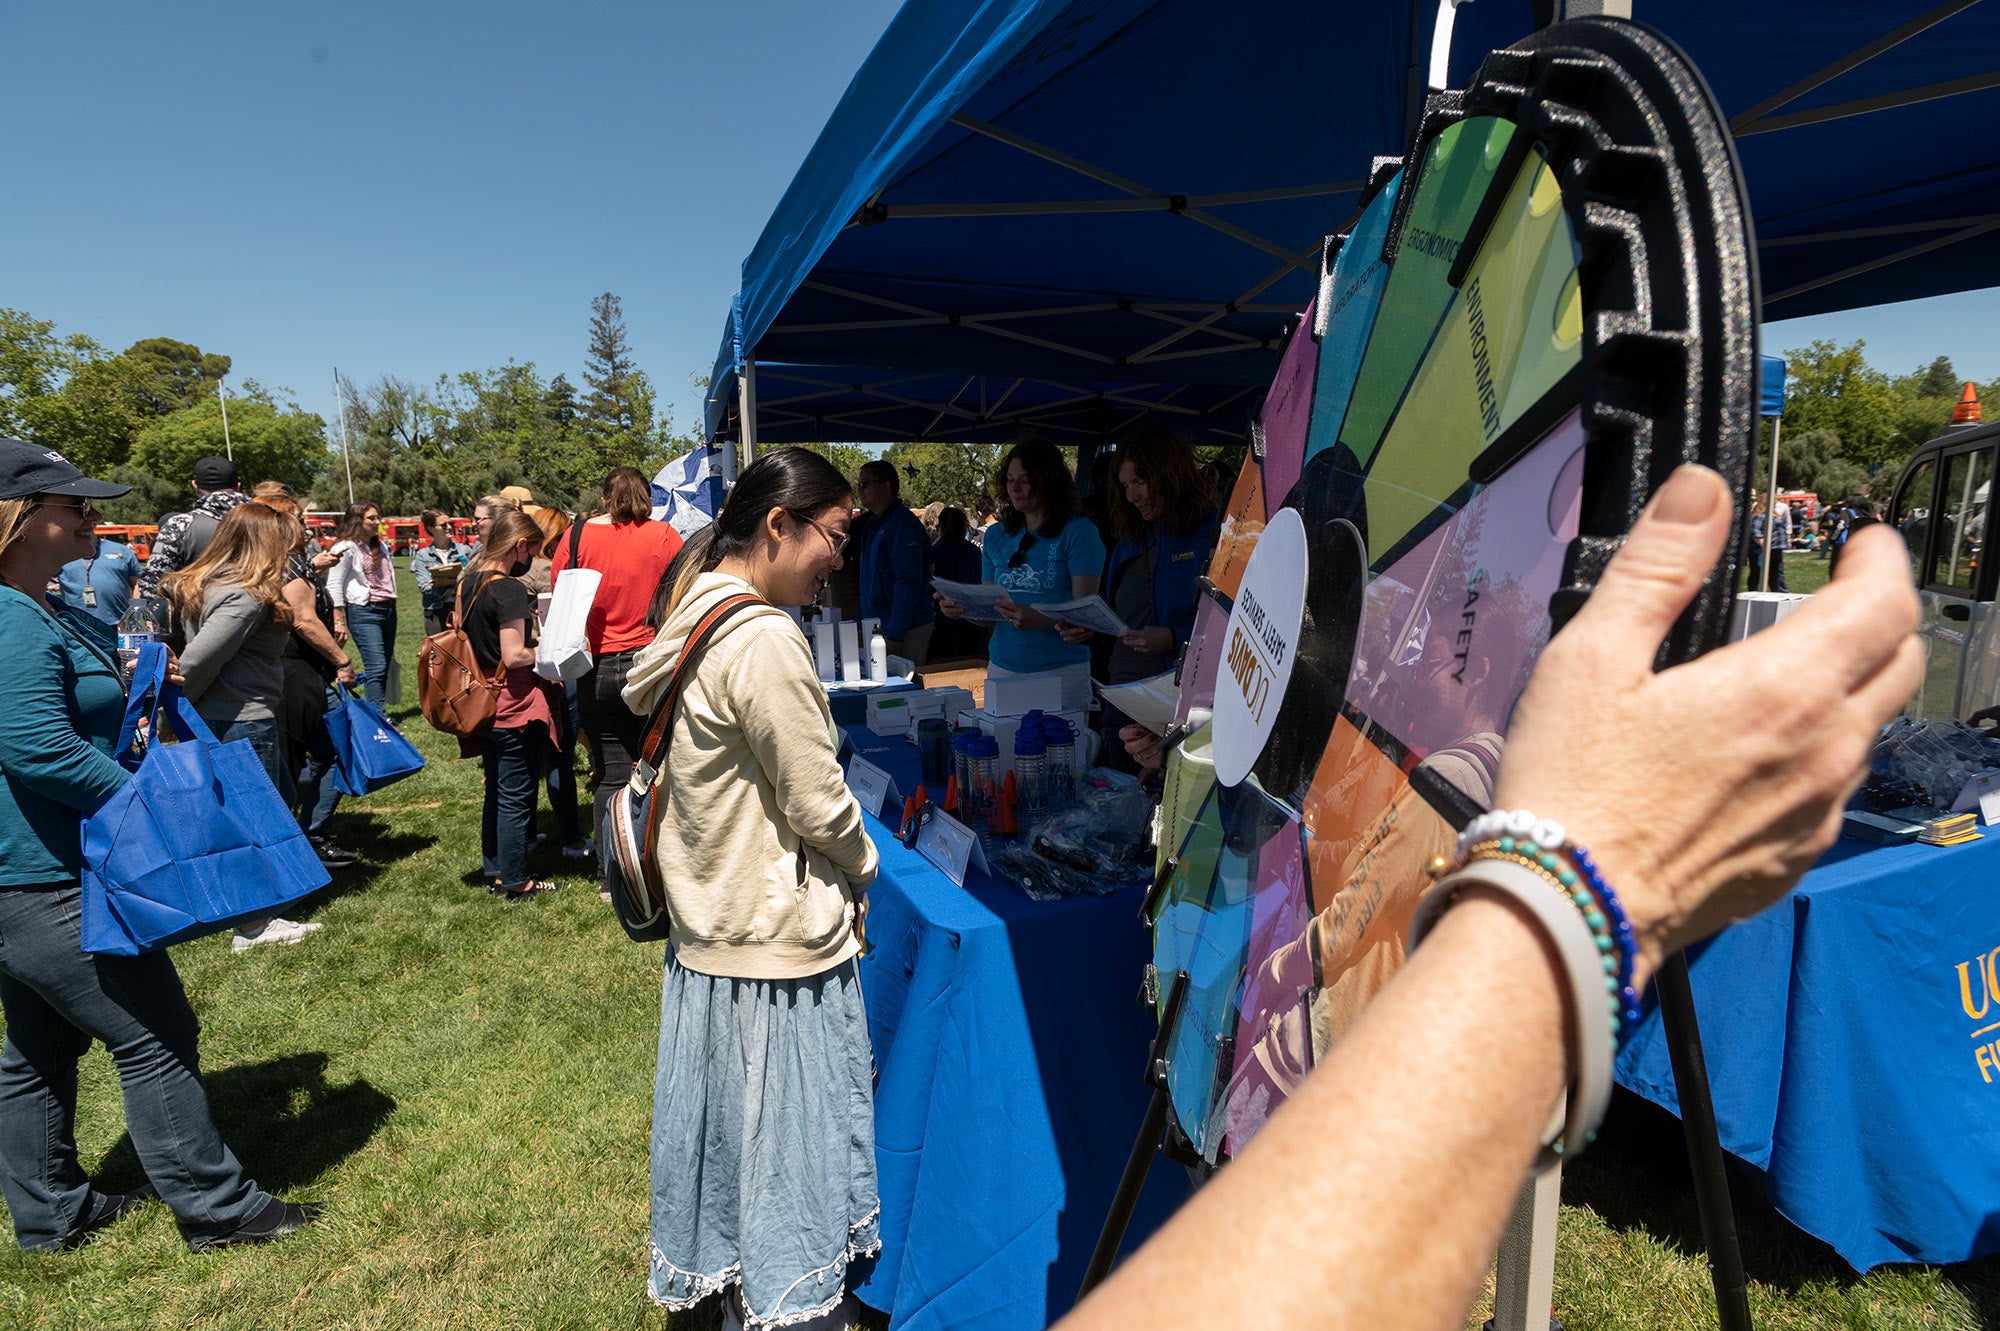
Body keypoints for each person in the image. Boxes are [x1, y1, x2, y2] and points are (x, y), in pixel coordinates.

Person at [1053, 466, 1923, 1331]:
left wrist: (1270, 969)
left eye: (1432, 645)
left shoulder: (1450, 771)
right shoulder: (1438, 759)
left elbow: (1347, 916)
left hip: (1340, 1045)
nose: (1403, 659)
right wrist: (1577, 905)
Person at [0, 438, 323, 1255]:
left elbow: (73, 705)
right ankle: (217, 1206)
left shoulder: (38, 603)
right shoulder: (9, 617)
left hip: (37, 867)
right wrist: (146, 802)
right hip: (35, 875)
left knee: (38, 1045)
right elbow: (38, 747)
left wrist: (147, 676)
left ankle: (52, 1212)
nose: (95, 520)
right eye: (75, 508)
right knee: (155, 1031)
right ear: (20, 518)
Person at [624, 447, 878, 1330]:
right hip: (772, 951)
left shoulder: (695, 609)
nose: (840, 559)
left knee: (731, 1166)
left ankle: (740, 1296)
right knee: (787, 1176)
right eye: (835, 536)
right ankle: (789, 1304)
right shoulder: (765, 634)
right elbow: (817, 798)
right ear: (780, 524)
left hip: (710, 940)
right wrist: (864, 866)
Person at [165, 503, 327, 953]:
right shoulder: (245, 595)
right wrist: (173, 714)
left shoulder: (215, 584)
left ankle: (258, 912)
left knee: (263, 807)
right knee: (252, 818)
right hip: (240, 719)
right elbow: (201, 658)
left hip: (232, 714)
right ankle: (253, 925)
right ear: (263, 542)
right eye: (284, 540)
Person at [547, 468, 683, 877]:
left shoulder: (576, 536)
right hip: (651, 664)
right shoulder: (663, 537)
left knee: (608, 772)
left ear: (606, 497)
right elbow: (683, 589)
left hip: (597, 665)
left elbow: (560, 592)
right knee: (657, 766)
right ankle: (652, 860)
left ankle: (612, 875)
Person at [937, 436, 1106, 714]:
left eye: (1025, 480)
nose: (1015, 488)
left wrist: (1040, 619)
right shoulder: (996, 535)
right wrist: (963, 608)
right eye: (1010, 479)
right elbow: (991, 611)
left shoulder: (1079, 532)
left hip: (1060, 672)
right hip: (1003, 668)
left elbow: (1084, 615)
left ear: (1049, 482)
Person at [1096, 429, 1221, 771]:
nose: (1132, 495)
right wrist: (1086, 626)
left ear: (1169, 474)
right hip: (1124, 694)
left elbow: (1230, 623)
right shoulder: (1131, 538)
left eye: (1139, 482)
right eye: (1124, 486)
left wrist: (1171, 636)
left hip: (1180, 700)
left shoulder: (1212, 534)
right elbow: (1118, 610)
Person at [252, 489, 361, 870]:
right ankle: (291, 852)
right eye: (298, 519)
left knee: (333, 751)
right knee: (290, 765)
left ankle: (310, 837)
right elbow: (303, 620)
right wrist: (341, 660)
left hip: (307, 673)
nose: (304, 525)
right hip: (292, 676)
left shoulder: (295, 564)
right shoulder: (283, 567)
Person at [461, 508, 565, 900]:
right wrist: (545, 647)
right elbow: (515, 653)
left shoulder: (467, 583)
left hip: (480, 698)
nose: (531, 561)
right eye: (532, 552)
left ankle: (497, 869)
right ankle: (518, 880)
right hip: (513, 703)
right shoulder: (507, 589)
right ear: (519, 545)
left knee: (497, 790)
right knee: (517, 794)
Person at [525, 504, 588, 860]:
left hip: (522, 672)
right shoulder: (553, 571)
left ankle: (529, 831)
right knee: (559, 754)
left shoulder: (514, 572)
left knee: (530, 759)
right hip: (557, 665)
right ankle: (571, 839)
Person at [854, 459, 935, 665]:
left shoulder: (903, 525)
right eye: (858, 485)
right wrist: (863, 624)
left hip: (905, 628)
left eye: (865, 484)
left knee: (904, 689)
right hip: (880, 627)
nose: (860, 490)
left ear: (885, 486)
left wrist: (895, 635)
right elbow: (867, 582)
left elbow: (907, 582)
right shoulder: (874, 524)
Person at [136, 455, 250, 599]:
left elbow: (152, 584)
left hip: (196, 617)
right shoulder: (267, 520)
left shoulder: (179, 525)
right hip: (260, 616)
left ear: (194, 486)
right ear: (238, 486)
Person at [326, 501, 399, 713]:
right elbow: (334, 584)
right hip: (364, 611)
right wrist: (338, 619)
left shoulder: (380, 545)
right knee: (376, 665)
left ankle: (377, 710)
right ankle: (379, 717)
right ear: (357, 520)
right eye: (372, 518)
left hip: (388, 608)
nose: (378, 522)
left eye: (378, 517)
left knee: (384, 665)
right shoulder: (345, 548)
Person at [54, 533, 142, 646]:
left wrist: (137, 615)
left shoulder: (121, 551)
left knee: (122, 661)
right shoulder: (61, 552)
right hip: (77, 626)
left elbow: (136, 585)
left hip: (118, 624)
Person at [928, 505, 987, 660]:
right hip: (974, 620)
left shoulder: (934, 551)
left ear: (940, 527)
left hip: (945, 621)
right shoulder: (974, 552)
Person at [410, 510, 473, 636]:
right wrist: (452, 588)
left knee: (464, 651)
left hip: (461, 608)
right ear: (431, 529)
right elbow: (425, 587)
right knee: (438, 652)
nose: (449, 527)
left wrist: (448, 583)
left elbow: (473, 580)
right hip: (435, 611)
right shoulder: (422, 555)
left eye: (451, 524)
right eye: (444, 525)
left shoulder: (465, 551)